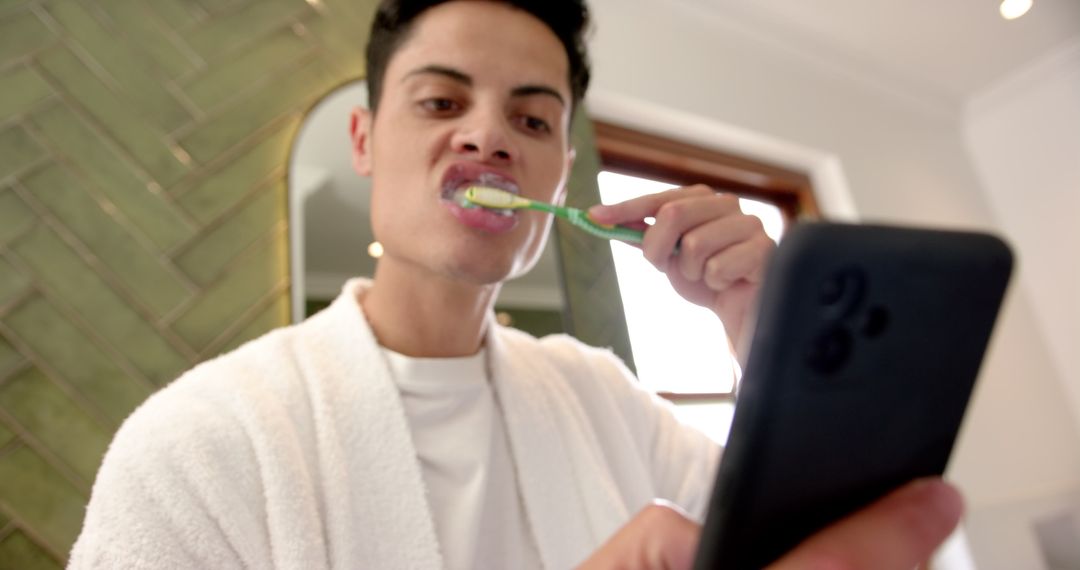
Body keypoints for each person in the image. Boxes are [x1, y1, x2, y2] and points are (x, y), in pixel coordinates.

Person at [68, 1, 963, 568]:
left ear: (561, 170)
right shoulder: (201, 444)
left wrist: (775, 353)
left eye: (532, 118)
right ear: (365, 140)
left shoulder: (604, 399)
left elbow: (823, 543)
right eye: (441, 102)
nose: (489, 137)